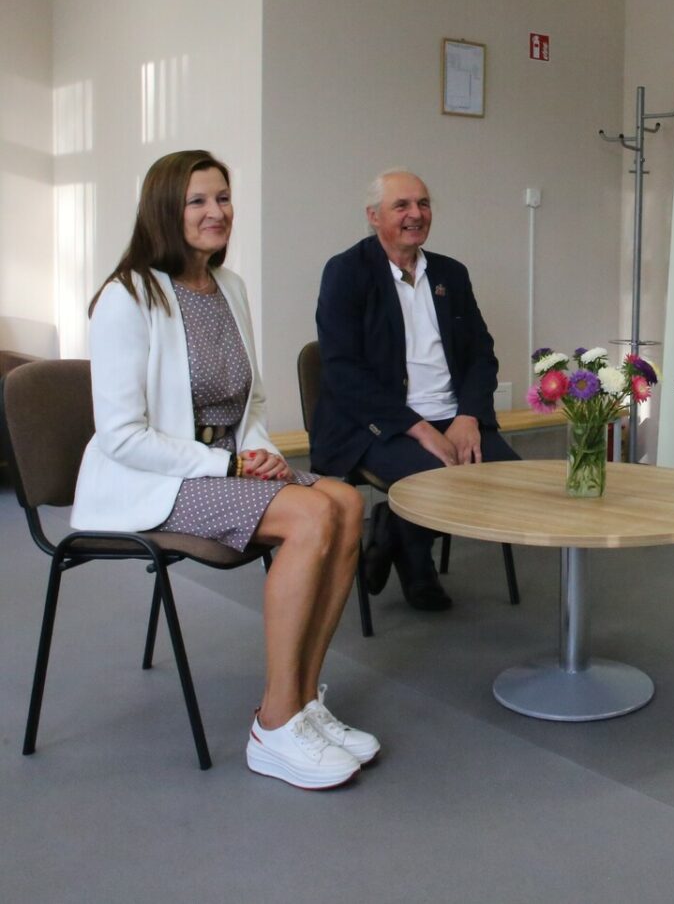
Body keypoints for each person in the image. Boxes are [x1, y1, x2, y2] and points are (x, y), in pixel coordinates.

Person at [73, 150, 376, 790]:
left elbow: (251, 400)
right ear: (166, 210)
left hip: (224, 464)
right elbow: (121, 436)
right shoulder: (127, 296)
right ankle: (274, 724)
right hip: (155, 481)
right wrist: (227, 462)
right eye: (198, 201)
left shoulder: (228, 286)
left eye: (223, 198)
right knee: (312, 516)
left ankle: (303, 703)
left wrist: (257, 451)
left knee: (347, 502)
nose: (217, 212)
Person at [311, 169, 518, 611]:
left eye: (423, 203)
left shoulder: (451, 274)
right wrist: (420, 429)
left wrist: (468, 417)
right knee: (437, 481)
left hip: (453, 415)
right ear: (373, 216)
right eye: (401, 205)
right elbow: (343, 371)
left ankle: (393, 527)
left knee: (512, 482)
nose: (416, 214)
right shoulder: (346, 272)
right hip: (378, 424)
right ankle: (417, 564)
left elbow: (481, 354)